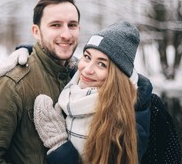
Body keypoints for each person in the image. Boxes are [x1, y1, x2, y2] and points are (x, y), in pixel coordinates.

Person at [0, 0, 81, 164]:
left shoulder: (82, 77)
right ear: (36, 31)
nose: (66, 34)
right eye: (56, 25)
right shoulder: (12, 84)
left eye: (72, 25)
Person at [33, 21, 152, 164]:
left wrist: (58, 145)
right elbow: (54, 58)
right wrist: (30, 55)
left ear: (117, 76)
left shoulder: (129, 120)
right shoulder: (75, 84)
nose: (87, 69)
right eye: (87, 57)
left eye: (101, 64)